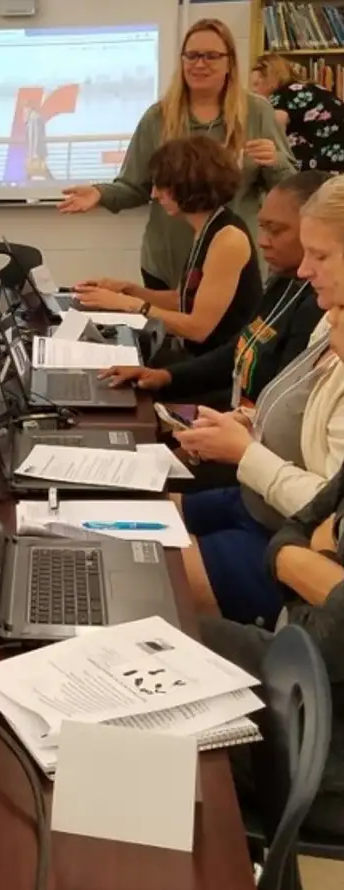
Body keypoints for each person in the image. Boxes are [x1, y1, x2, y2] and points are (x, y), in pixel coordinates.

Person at [172, 175, 344, 631]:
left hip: (282, 533)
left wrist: (245, 452)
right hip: (258, 504)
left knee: (150, 571)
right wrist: (247, 421)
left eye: (321, 256)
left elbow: (328, 509)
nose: (305, 270)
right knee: (124, 522)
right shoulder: (330, 317)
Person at [59, 18, 294, 291]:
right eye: (192, 55)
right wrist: (101, 193)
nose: (199, 64)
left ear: (230, 62)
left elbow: (287, 191)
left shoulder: (257, 112)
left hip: (234, 262)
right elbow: (135, 186)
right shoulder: (158, 117)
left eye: (211, 56)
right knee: (169, 330)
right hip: (168, 263)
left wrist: (275, 161)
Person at [101, 170, 329, 408]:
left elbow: (279, 405)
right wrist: (166, 376)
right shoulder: (284, 281)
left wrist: (133, 304)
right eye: (262, 226)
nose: (262, 240)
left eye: (276, 230)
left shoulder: (316, 305)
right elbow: (239, 350)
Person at [199, 462, 344, 837]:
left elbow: (330, 644)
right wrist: (310, 570)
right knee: (160, 631)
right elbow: (292, 530)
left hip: (325, 742)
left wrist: (307, 560)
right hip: (295, 661)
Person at [75, 135, 262, 362]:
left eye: (160, 186)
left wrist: (129, 304)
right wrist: (127, 289)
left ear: (187, 185)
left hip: (218, 367)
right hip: (200, 358)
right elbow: (182, 300)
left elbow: (199, 328)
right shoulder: (207, 229)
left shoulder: (228, 239)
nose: (154, 194)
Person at [251, 53, 344, 173]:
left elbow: (272, 129)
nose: (253, 91)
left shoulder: (283, 94)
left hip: (323, 164)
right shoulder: (311, 87)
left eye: (256, 84)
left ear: (271, 79)